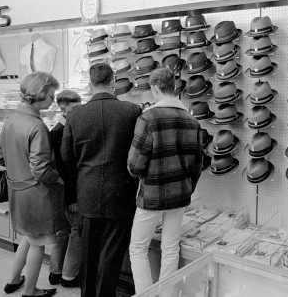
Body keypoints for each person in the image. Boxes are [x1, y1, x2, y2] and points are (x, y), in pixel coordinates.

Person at [61, 62, 141, 297]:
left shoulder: (75, 115)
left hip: (87, 191)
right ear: (113, 80)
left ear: (90, 83)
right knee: (113, 253)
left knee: (88, 253)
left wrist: (80, 179)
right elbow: (138, 153)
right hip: (121, 191)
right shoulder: (132, 111)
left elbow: (66, 158)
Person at [127, 68, 203, 293]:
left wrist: (136, 174)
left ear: (155, 88)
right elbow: (197, 164)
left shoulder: (148, 118)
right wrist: (187, 187)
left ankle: (145, 294)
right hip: (180, 193)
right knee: (171, 247)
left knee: (138, 248)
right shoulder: (192, 121)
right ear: (174, 88)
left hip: (152, 193)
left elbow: (135, 164)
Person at [0, 72, 64, 297]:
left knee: (28, 236)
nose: (53, 100)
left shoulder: (11, 119)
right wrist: (57, 178)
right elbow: (41, 169)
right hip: (36, 194)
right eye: (51, 95)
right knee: (39, 242)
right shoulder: (37, 126)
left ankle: (13, 280)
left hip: (16, 189)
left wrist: (16, 165)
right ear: (40, 95)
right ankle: (30, 291)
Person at [48, 90, 82, 288]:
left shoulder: (57, 130)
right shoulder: (61, 133)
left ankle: (55, 272)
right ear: (63, 108)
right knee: (75, 231)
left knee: (62, 232)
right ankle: (69, 276)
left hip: (59, 193)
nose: (80, 111)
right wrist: (73, 198)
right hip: (69, 194)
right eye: (76, 108)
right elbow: (67, 170)